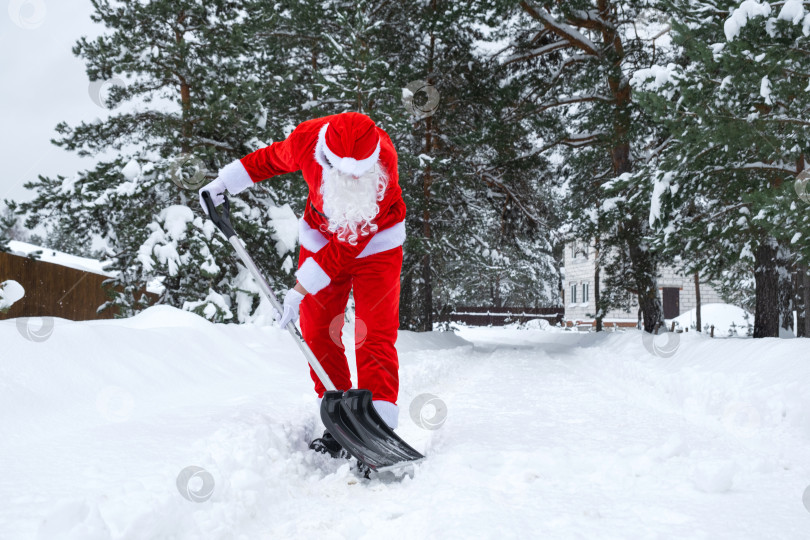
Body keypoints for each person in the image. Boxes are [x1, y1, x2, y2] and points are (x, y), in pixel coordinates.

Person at [199, 112, 406, 457]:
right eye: (344, 172)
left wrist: (299, 288)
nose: (352, 179)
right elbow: (271, 158)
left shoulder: (384, 159)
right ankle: (340, 422)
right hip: (322, 238)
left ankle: (378, 428)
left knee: (373, 332)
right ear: (326, 157)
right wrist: (224, 183)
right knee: (316, 330)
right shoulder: (308, 140)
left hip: (377, 244)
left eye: (359, 173)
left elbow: (351, 242)